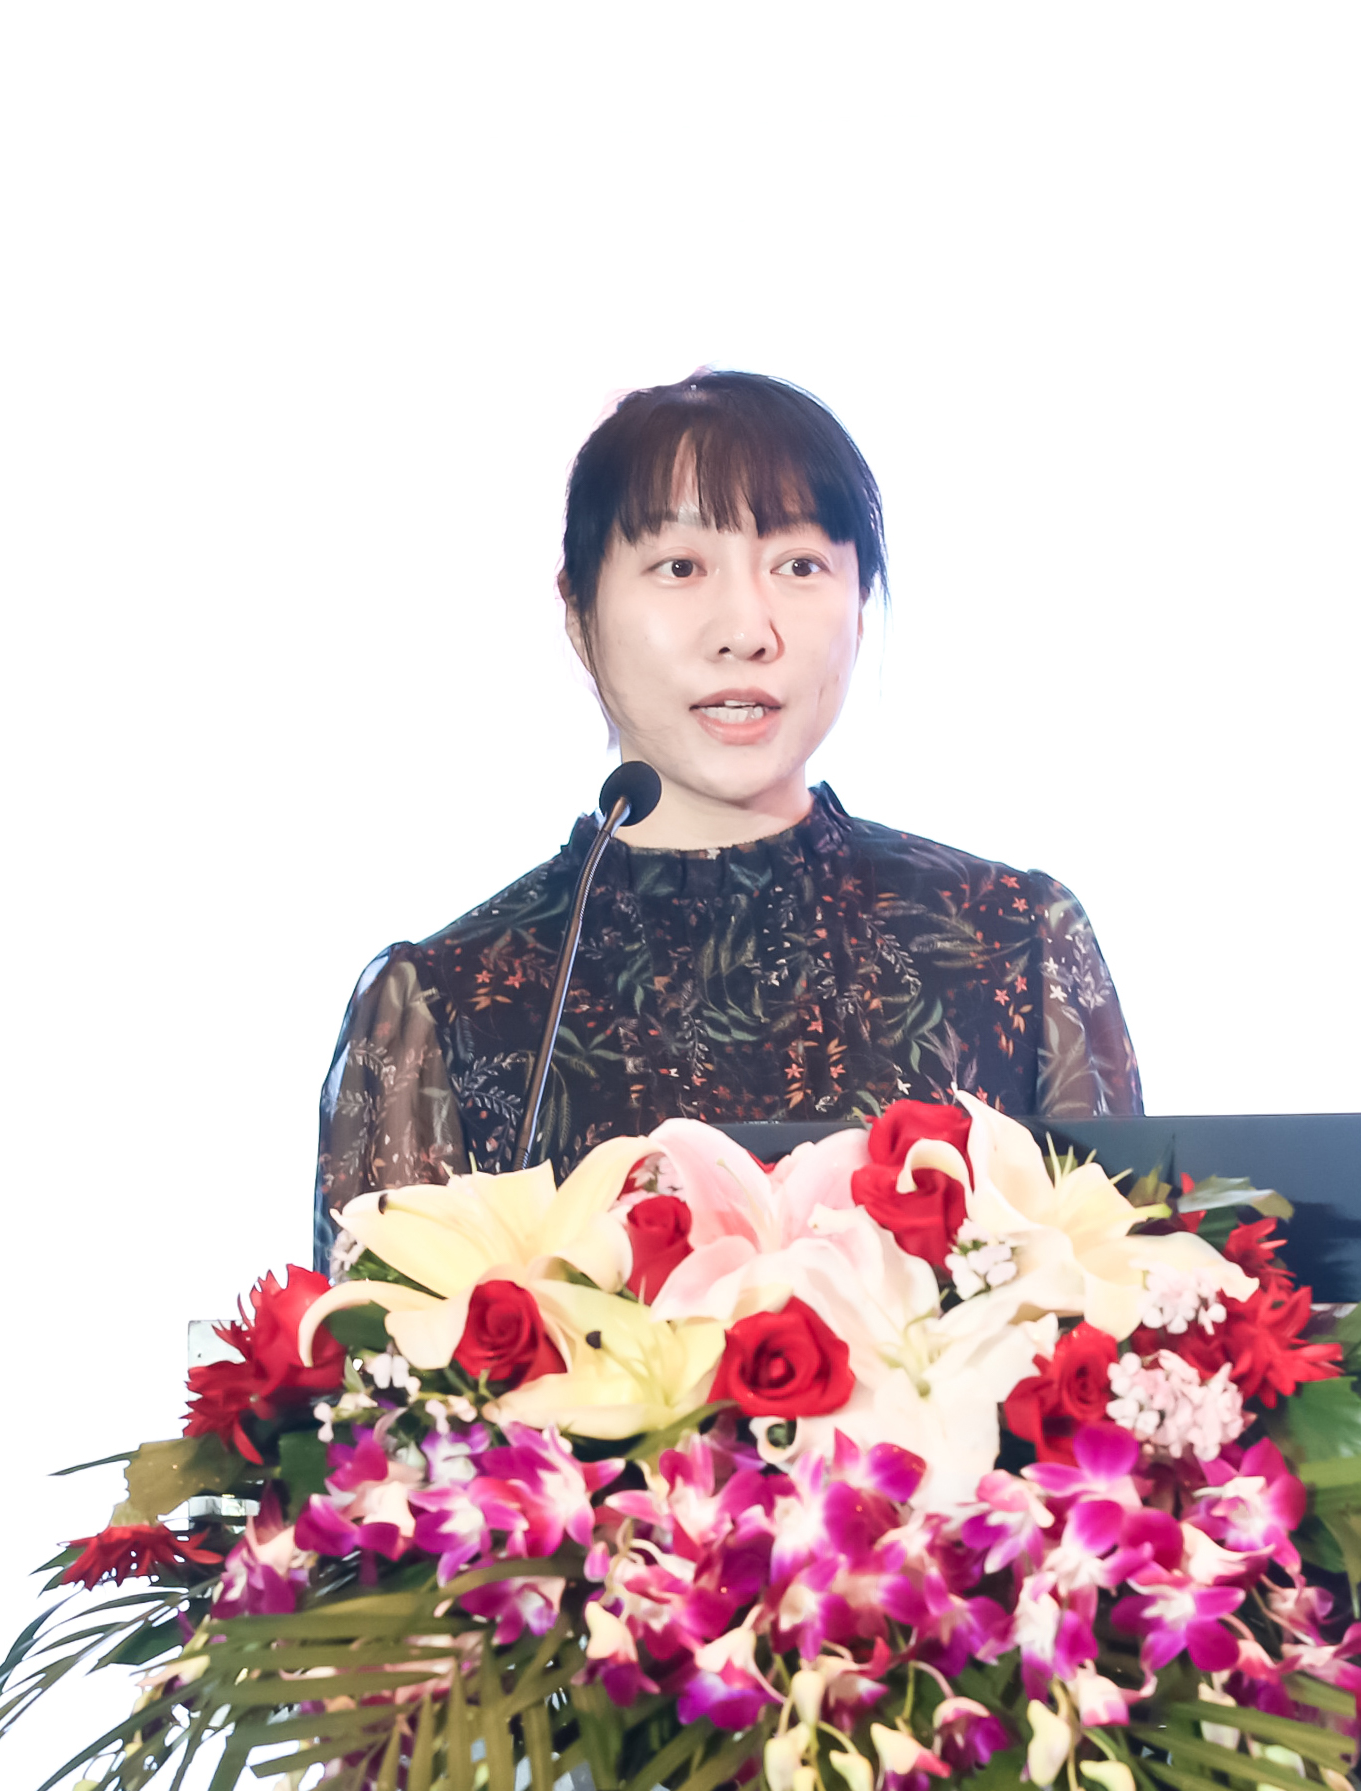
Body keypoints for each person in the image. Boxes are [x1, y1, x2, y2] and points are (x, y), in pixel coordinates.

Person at [314, 371, 1141, 1269]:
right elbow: (378, 1351)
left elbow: (1123, 1307)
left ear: (861, 609)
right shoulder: (448, 1003)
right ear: (579, 614)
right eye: (680, 568)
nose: (746, 631)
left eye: (800, 567)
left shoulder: (1011, 941)